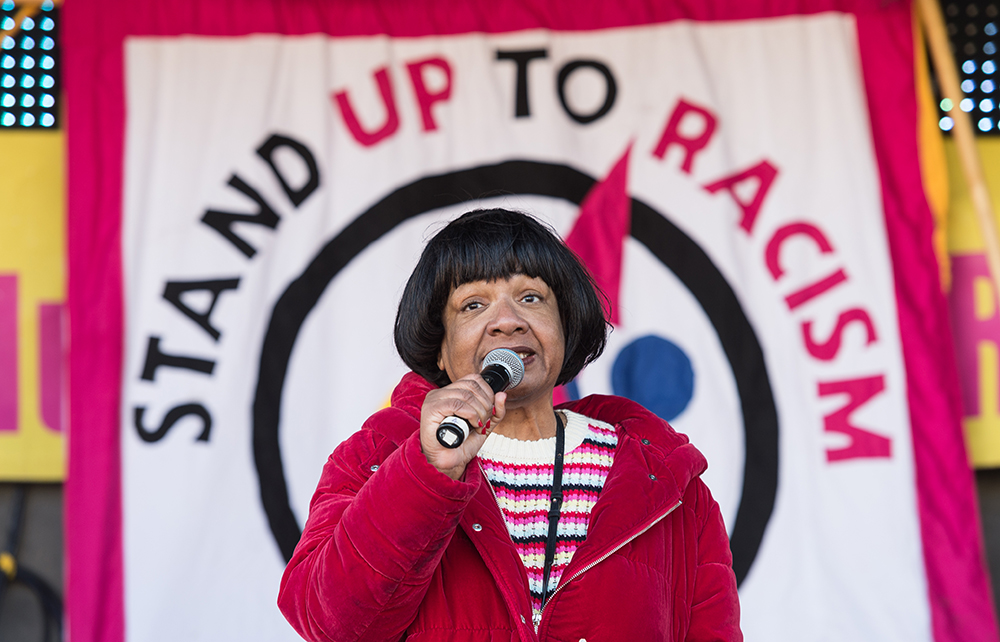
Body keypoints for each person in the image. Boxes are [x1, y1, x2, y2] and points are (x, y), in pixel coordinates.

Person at [277, 208, 742, 641]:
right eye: (472, 305)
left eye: (531, 297)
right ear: (440, 350)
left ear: (565, 327)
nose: (507, 321)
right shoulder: (377, 456)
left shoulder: (670, 481)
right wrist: (426, 473)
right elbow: (330, 623)